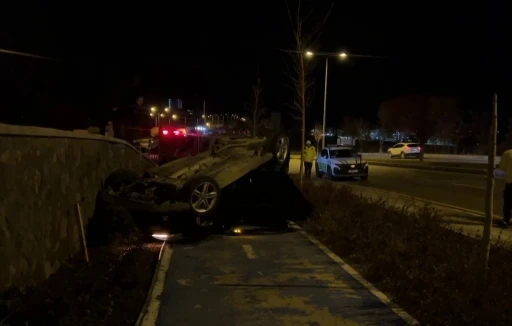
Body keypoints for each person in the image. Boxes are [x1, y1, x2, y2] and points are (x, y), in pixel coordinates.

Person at [499, 148, 512, 227]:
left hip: (511, 183)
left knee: (508, 202)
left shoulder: (507, 153)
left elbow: (502, 169)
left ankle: (506, 220)